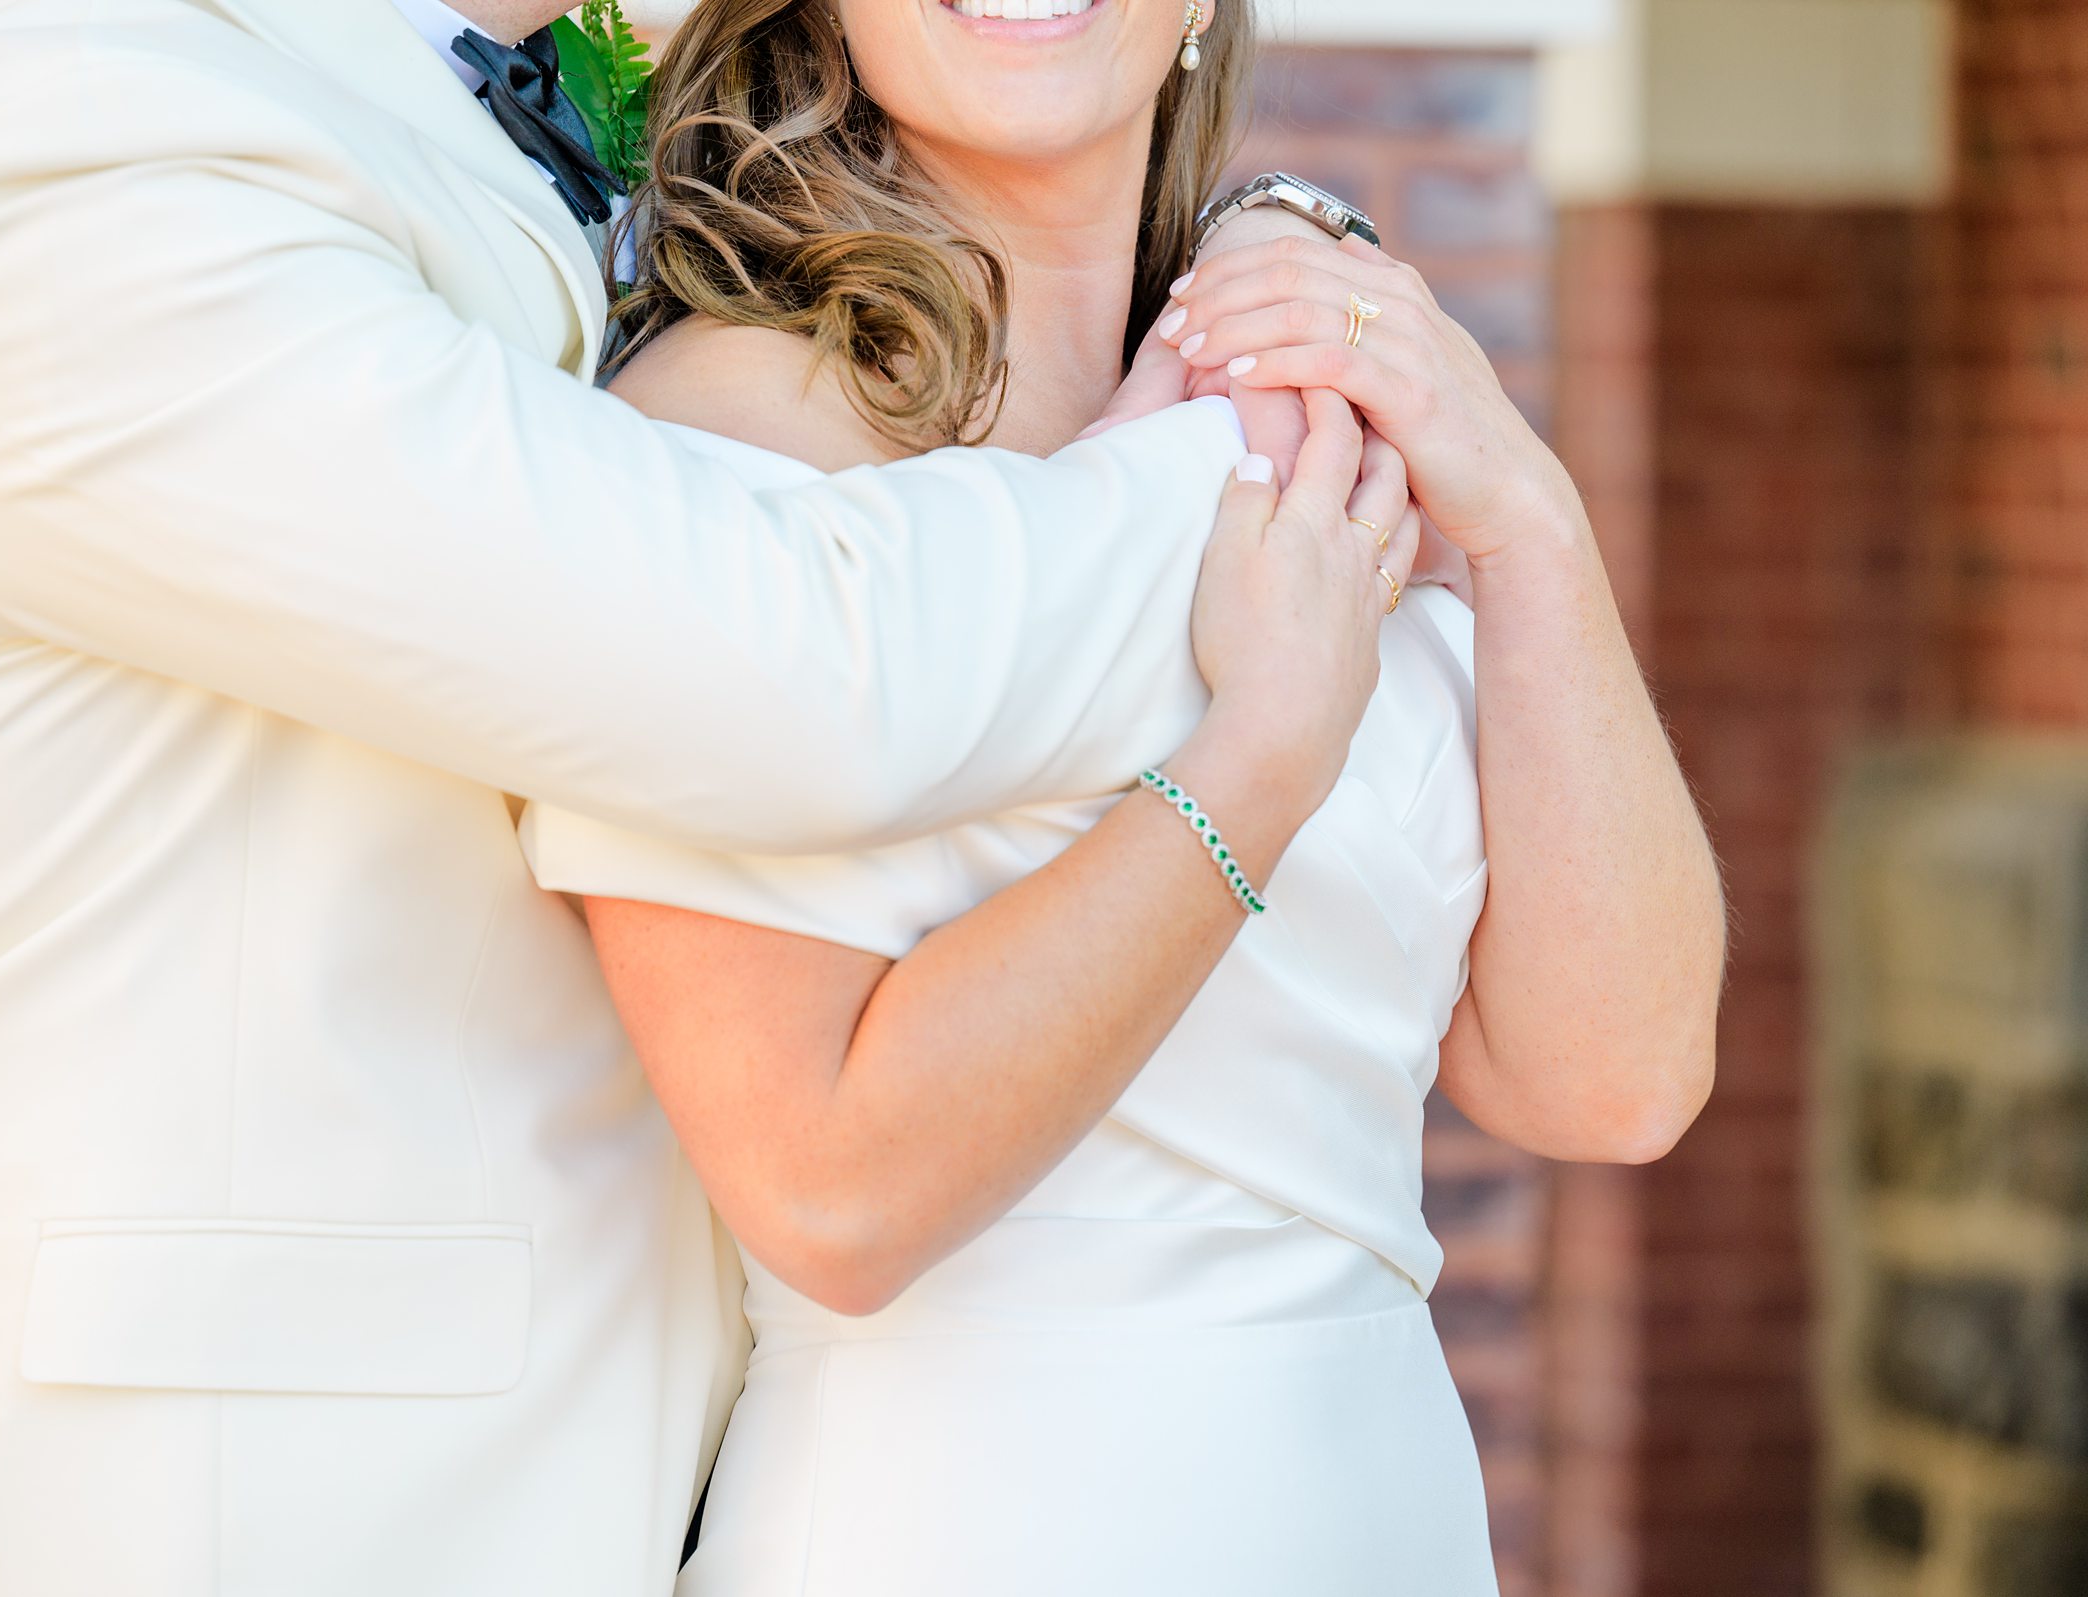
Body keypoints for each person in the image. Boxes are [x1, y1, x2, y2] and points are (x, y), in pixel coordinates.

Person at [0, 1, 1420, 1596]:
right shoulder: (66, 133)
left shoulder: (499, 102)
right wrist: (1243, 428)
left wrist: (1256, 230)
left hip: (615, 1485)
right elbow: (782, 668)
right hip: (210, 1510)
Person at [518, 0, 1726, 1588]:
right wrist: (1259, 764)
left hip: (1381, 1522)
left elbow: (1614, 1080)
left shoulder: (1321, 417)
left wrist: (1524, 515)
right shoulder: (718, 445)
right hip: (966, 1525)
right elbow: (834, 1190)